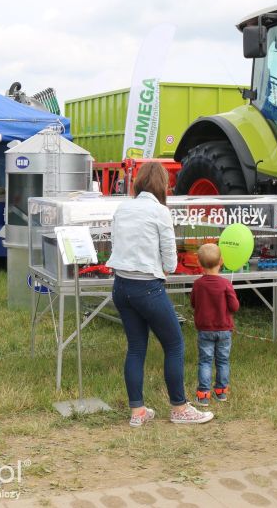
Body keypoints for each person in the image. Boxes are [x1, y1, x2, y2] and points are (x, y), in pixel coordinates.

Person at [106, 162, 214, 427]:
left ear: (139, 182)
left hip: (121, 286)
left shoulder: (122, 208)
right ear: (162, 185)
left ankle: (137, 411)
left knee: (136, 348)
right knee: (174, 344)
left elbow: (114, 243)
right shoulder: (160, 211)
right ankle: (179, 408)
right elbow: (169, 260)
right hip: (148, 287)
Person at [191, 243, 239, 406]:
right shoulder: (226, 284)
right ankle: (221, 392)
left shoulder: (198, 284)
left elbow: (193, 303)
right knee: (223, 361)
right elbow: (234, 307)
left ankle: (203, 395)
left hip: (205, 330)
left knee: (205, 361)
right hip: (224, 330)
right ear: (222, 261)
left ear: (199, 263)